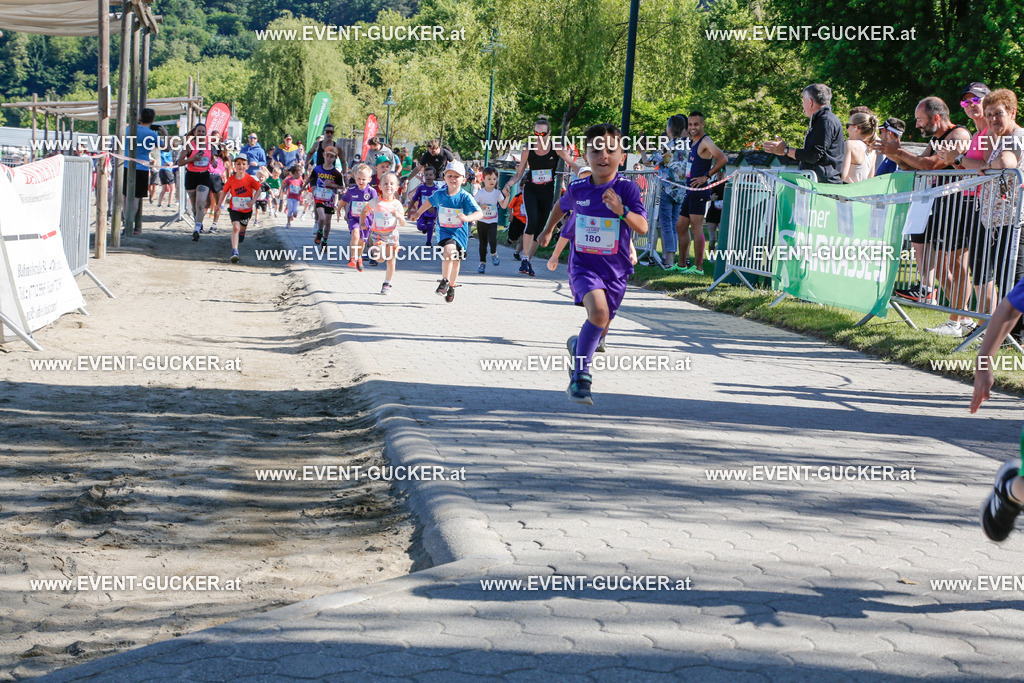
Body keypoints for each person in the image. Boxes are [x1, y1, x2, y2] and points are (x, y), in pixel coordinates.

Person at [538, 123, 648, 405]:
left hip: (616, 271)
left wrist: (621, 211)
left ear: (622, 156)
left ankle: (578, 346)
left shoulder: (627, 189)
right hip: (584, 266)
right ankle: (580, 378)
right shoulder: (578, 188)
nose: (603, 156)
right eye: (596, 150)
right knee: (598, 314)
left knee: (601, 324)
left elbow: (643, 227)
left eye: (611, 150)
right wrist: (549, 229)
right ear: (585, 156)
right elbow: (561, 206)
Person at [875, 97, 974, 332]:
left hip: (957, 204)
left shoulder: (957, 135)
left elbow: (930, 165)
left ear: (936, 117)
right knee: (938, 267)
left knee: (956, 265)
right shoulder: (936, 138)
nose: (917, 124)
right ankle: (962, 317)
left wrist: (899, 150)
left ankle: (959, 320)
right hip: (939, 204)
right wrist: (892, 153)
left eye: (920, 119)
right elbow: (915, 166)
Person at [503, 116, 580, 276]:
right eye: (536, 134)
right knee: (531, 222)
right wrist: (508, 185)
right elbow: (519, 174)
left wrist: (587, 177)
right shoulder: (528, 149)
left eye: (543, 134)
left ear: (549, 134)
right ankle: (524, 258)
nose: (539, 138)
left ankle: (527, 262)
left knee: (540, 230)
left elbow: (572, 164)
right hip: (531, 189)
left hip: (546, 191)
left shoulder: (556, 147)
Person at [976, 88, 1024, 342]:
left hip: (1015, 221)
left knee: (1015, 280)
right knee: (1005, 278)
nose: (993, 119)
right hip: (998, 222)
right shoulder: (1000, 139)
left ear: (1012, 112)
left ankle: (1017, 335)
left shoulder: (1015, 137)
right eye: (989, 115)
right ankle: (1009, 334)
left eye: (998, 114)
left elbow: (1007, 164)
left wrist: (989, 166)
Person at [409, 160, 482, 303]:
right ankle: (444, 281)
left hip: (460, 233)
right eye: (450, 176)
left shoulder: (465, 197)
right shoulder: (440, 194)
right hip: (444, 231)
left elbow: (479, 213)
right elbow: (429, 202)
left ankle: (452, 286)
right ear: (444, 178)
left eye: (457, 176)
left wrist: (467, 217)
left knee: (456, 260)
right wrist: (418, 213)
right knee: (449, 252)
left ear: (464, 180)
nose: (453, 179)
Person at [676, 111, 728, 273]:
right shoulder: (692, 141)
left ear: (703, 125)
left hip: (699, 190)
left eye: (696, 124)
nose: (692, 127)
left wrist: (706, 176)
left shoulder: (706, 141)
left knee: (696, 228)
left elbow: (723, 158)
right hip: (690, 189)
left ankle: (698, 267)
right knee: (680, 225)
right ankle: (682, 264)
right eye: (690, 124)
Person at [762, 84, 844, 184]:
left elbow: (813, 155)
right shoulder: (823, 120)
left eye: (803, 101)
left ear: (810, 102)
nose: (803, 105)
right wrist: (785, 151)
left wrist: (786, 150)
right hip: (819, 184)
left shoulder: (825, 121)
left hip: (823, 187)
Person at [644, 115, 689, 269]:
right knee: (674, 224)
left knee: (666, 225)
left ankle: (668, 260)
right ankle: (672, 258)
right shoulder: (688, 147)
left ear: (669, 129)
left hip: (666, 189)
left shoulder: (667, 147)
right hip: (681, 190)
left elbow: (648, 162)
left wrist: (642, 150)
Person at [361, 171, 405, 294]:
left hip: (392, 236)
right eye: (385, 183)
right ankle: (377, 253)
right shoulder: (375, 202)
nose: (388, 186)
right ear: (380, 186)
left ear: (396, 188)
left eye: (392, 184)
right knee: (380, 259)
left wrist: (399, 216)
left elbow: (403, 223)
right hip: (378, 235)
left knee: (391, 261)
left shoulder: (397, 204)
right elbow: (364, 211)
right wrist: (362, 223)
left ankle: (387, 283)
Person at [124, 107, 160, 233]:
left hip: (126, 164)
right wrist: (164, 132)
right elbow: (166, 147)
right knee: (136, 198)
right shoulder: (152, 134)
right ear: (152, 119)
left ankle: (125, 222)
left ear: (139, 117)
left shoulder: (129, 129)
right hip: (142, 167)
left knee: (125, 196)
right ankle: (130, 223)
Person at [220, 155, 262, 263]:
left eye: (243, 164)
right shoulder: (231, 179)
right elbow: (224, 191)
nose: (241, 166)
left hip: (246, 210)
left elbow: (259, 189)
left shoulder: (250, 179)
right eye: (238, 164)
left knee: (242, 228)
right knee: (235, 228)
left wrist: (253, 201)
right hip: (234, 208)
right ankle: (235, 251)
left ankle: (242, 233)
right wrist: (219, 203)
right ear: (234, 166)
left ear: (247, 166)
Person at [304, 146, 345, 254]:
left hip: (329, 199)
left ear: (335, 158)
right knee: (321, 217)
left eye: (332, 156)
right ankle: (319, 231)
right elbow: (311, 178)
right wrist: (304, 186)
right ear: (323, 155)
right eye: (327, 155)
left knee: (328, 221)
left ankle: (325, 241)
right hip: (319, 197)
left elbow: (341, 186)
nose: (329, 158)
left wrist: (332, 184)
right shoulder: (317, 169)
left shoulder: (336, 172)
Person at [177, 122, 215, 240]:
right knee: (194, 207)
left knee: (200, 203)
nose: (201, 133)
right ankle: (199, 223)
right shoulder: (189, 146)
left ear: (205, 134)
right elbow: (179, 162)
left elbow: (212, 159)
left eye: (203, 131)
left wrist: (213, 163)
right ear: (194, 132)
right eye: (199, 131)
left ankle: (197, 229)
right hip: (191, 177)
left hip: (204, 176)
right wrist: (193, 158)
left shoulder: (210, 146)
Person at [339, 163, 378, 270]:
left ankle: (359, 257)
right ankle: (352, 258)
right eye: (358, 178)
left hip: (367, 220)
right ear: (355, 177)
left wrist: (376, 218)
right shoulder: (352, 190)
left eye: (364, 179)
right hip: (354, 218)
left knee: (362, 241)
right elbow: (343, 200)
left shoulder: (371, 192)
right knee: (355, 235)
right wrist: (338, 210)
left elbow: (376, 205)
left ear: (369, 179)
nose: (361, 181)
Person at [474, 166, 503, 273]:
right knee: (482, 244)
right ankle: (482, 263)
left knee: (492, 239)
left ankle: (494, 253)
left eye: (494, 179)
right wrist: (481, 207)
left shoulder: (497, 193)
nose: (492, 181)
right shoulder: (480, 193)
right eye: (489, 179)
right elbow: (474, 205)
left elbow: (503, 205)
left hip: (493, 221)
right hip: (482, 221)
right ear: (483, 180)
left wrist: (508, 196)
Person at [407, 165, 439, 246]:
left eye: (430, 175)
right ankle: (424, 228)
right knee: (420, 227)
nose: (428, 176)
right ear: (424, 176)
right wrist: (409, 209)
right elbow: (414, 199)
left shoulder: (436, 189)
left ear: (434, 176)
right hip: (421, 212)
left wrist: (435, 209)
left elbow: (439, 202)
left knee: (430, 226)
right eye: (426, 175)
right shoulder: (421, 187)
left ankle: (428, 242)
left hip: (431, 212)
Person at [841, 112, 878, 183]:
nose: (847, 129)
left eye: (848, 125)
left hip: (846, 190)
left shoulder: (850, 144)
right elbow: (870, 178)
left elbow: (843, 175)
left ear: (856, 128)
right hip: (862, 191)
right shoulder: (872, 149)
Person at [207, 143, 229, 233]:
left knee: (206, 205)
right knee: (218, 204)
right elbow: (228, 177)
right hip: (217, 179)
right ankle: (214, 225)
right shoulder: (226, 161)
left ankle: (199, 225)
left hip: (207, 177)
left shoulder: (211, 159)